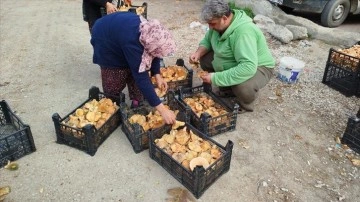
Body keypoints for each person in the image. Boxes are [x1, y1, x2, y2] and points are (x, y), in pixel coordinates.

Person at [90, 11, 177, 124]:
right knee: (115, 71)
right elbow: (141, 77)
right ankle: (113, 103)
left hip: (119, 29)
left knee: (136, 66)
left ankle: (136, 100)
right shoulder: (133, 43)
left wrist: (157, 75)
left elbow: (155, 53)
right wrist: (162, 110)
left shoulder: (150, 32)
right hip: (103, 35)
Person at [189, 0, 275, 113]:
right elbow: (207, 41)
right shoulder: (218, 25)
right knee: (205, 58)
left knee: (242, 86)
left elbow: (248, 67)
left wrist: (215, 78)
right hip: (236, 59)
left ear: (224, 18)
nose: (210, 27)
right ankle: (228, 89)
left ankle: (245, 103)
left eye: (212, 24)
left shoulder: (244, 32)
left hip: (259, 66)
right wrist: (198, 53)